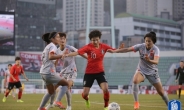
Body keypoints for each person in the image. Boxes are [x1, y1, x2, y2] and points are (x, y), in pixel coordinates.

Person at [108, 32, 169, 110]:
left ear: (153, 41)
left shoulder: (156, 49)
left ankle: (170, 106)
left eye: (149, 41)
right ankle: (136, 103)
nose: (147, 42)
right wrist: (114, 51)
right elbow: (127, 49)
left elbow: (156, 61)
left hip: (153, 72)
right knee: (135, 80)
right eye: (146, 40)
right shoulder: (141, 46)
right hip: (141, 70)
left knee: (161, 92)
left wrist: (149, 60)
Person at [62, 30, 120, 110]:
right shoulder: (88, 47)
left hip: (100, 72)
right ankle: (86, 99)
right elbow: (78, 52)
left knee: (106, 89)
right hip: (89, 73)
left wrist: (119, 49)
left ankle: (106, 106)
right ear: (91, 40)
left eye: (97, 39)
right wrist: (67, 54)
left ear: (99, 39)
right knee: (85, 94)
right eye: (93, 40)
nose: (95, 41)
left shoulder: (104, 46)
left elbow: (114, 50)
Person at [46, 32, 87, 110]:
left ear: (66, 40)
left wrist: (88, 58)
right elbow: (56, 61)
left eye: (64, 39)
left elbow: (79, 52)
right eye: (60, 38)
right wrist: (53, 71)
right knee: (54, 87)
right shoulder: (57, 50)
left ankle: (59, 102)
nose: (62, 40)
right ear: (58, 40)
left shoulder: (70, 48)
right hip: (63, 71)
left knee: (67, 85)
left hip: (72, 70)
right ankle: (54, 104)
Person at [38, 32, 69, 110]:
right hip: (48, 72)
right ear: (52, 39)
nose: (59, 39)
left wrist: (60, 56)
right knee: (66, 84)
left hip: (44, 72)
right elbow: (51, 57)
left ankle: (41, 108)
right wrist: (62, 55)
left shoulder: (48, 46)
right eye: (58, 37)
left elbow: (52, 59)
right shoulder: (53, 46)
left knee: (51, 92)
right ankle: (57, 101)